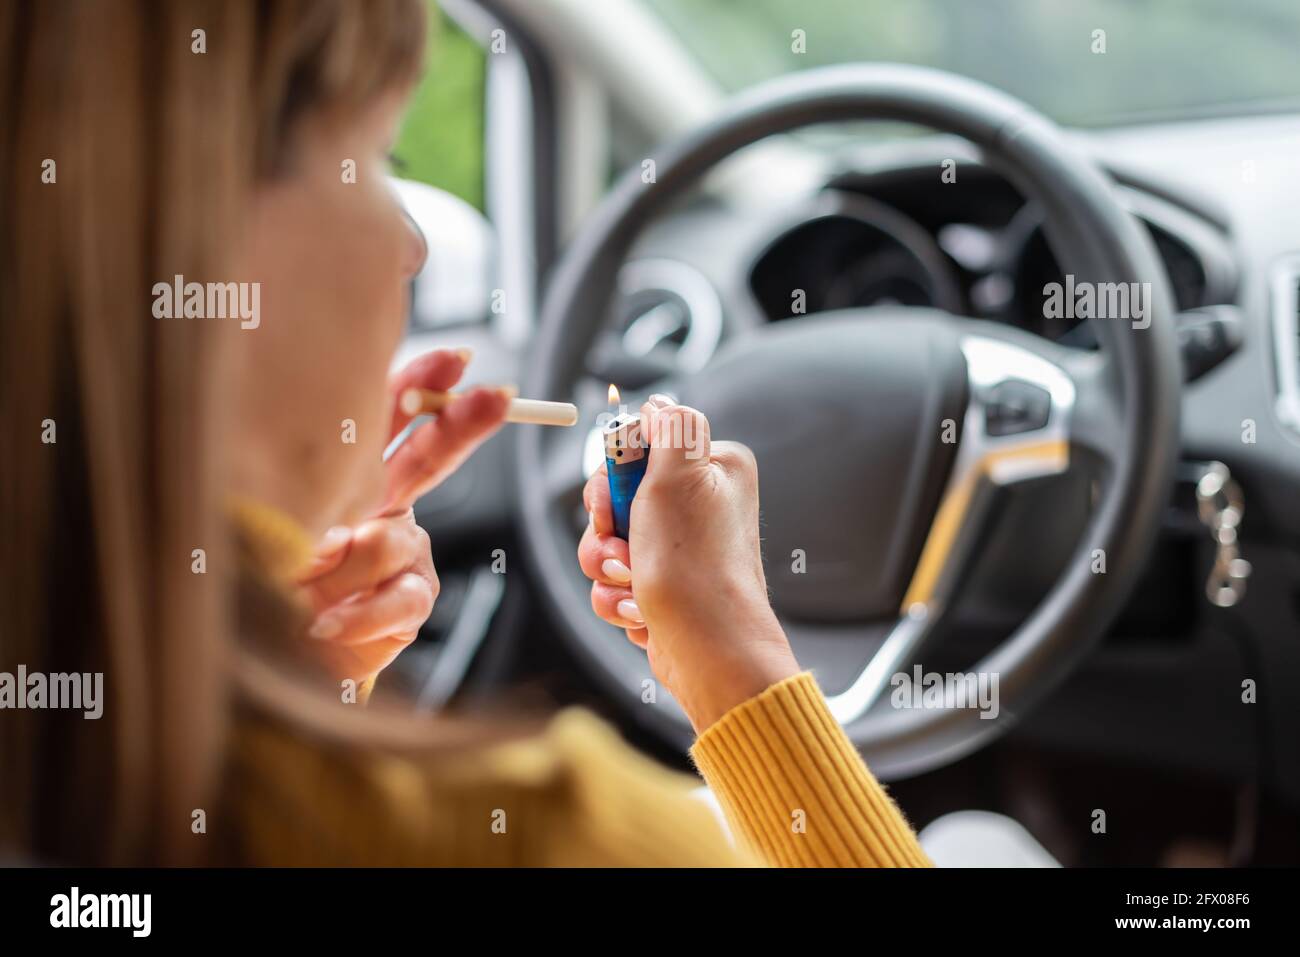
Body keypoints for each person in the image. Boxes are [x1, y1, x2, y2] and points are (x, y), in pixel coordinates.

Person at [0, 0, 930, 867]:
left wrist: (283, 649)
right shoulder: (545, 834)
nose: (413, 245)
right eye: (376, 157)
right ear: (189, 226)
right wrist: (733, 649)